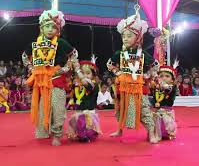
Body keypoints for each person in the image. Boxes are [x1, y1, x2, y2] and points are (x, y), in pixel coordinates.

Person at [22, 9, 78, 146]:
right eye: (47, 26)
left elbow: (74, 55)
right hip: (41, 83)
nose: (50, 29)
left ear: (58, 30)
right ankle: (45, 131)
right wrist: (31, 69)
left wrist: (64, 69)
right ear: (41, 28)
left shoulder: (62, 43)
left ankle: (57, 135)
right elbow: (24, 56)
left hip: (57, 81)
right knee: (44, 109)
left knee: (58, 109)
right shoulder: (35, 44)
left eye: (54, 27)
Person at [106, 11, 155, 142]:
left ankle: (151, 132)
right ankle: (119, 130)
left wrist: (148, 75)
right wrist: (118, 73)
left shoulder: (143, 54)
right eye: (123, 36)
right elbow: (109, 64)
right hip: (123, 87)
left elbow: (155, 65)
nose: (125, 39)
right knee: (121, 109)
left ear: (138, 38)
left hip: (139, 88)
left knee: (143, 110)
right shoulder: (120, 53)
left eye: (129, 36)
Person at [67, 60, 101, 142]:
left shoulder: (94, 85)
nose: (85, 75)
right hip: (79, 111)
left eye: (88, 73)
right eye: (83, 73)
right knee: (73, 121)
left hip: (89, 113)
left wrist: (78, 71)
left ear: (93, 75)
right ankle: (81, 134)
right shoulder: (77, 85)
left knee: (83, 122)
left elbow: (86, 83)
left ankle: (87, 133)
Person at [150, 63, 178, 143]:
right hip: (157, 110)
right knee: (156, 123)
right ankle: (157, 135)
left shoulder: (172, 87)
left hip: (167, 110)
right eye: (161, 76)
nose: (164, 78)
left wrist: (159, 81)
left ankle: (168, 134)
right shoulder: (157, 87)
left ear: (172, 80)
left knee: (168, 124)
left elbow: (166, 88)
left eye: (167, 76)